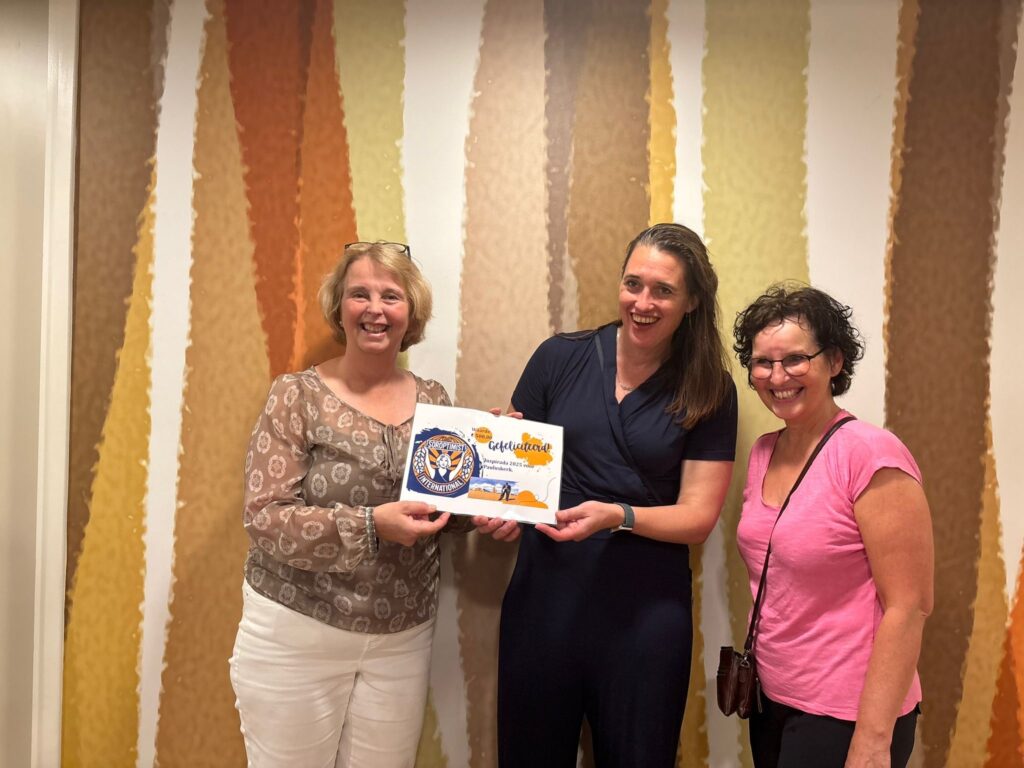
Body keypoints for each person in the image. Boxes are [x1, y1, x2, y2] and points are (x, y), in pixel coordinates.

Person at [484, 223, 738, 767]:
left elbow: (697, 517)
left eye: (663, 290)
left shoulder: (710, 387)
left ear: (692, 301)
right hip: (545, 599)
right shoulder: (559, 357)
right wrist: (497, 500)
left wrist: (618, 516)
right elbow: (518, 474)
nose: (642, 303)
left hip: (645, 614)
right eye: (633, 284)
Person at [230, 241, 476, 767]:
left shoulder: (434, 399)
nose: (375, 309)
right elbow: (265, 517)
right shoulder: (296, 395)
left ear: (411, 311)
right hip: (296, 631)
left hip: (401, 639)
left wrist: (493, 487)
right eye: (359, 294)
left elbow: (445, 511)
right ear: (339, 307)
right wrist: (371, 525)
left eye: (391, 296)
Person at [732, 284, 933, 768]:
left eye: (795, 359)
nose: (777, 376)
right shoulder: (763, 451)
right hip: (772, 699)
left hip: (848, 714)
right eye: (763, 363)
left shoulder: (870, 453)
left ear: (835, 361)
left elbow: (910, 606)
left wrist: (874, 739)